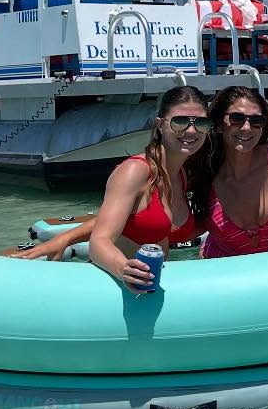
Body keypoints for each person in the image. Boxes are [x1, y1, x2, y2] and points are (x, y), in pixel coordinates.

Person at [85, 85, 212, 290]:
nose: (191, 130)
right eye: (179, 122)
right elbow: (99, 241)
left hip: (150, 288)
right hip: (119, 286)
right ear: (160, 125)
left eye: (201, 123)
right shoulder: (136, 171)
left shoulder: (180, 175)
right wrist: (124, 269)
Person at [199, 86, 268, 258]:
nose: (246, 127)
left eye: (256, 121)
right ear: (220, 124)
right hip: (222, 273)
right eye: (237, 118)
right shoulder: (203, 170)